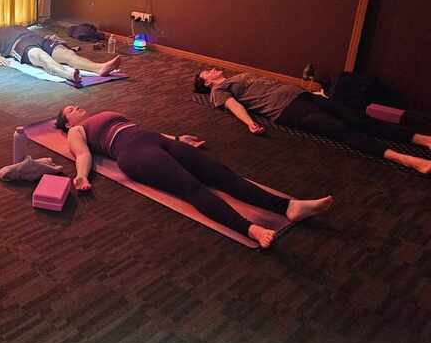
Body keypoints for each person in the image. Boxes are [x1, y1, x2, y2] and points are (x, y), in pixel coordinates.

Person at [56, 106, 333, 248]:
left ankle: (289, 207)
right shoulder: (77, 131)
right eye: (69, 110)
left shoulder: (105, 114)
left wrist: (177, 138)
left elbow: (142, 129)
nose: (75, 108)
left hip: (154, 139)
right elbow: (83, 154)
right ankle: (250, 229)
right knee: (191, 187)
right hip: (133, 153)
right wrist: (82, 176)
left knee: (222, 175)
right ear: (67, 123)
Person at [194, 69, 431, 174]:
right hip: (286, 111)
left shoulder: (238, 76)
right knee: (340, 130)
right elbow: (234, 106)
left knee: (358, 118)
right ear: (207, 82)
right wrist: (249, 123)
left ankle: (423, 139)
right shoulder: (218, 91)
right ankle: (408, 160)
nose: (212, 70)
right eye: (207, 72)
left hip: (303, 96)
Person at [0, 25, 121, 85]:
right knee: (42, 57)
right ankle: (68, 75)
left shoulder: (14, 26)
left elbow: (33, 32)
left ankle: (100, 67)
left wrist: (51, 38)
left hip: (38, 39)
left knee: (67, 54)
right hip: (19, 45)